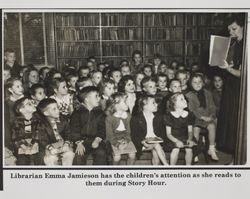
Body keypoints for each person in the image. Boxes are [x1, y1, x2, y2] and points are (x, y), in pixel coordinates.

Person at [216, 16, 244, 158]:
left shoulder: (246, 45)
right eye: (229, 30)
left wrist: (228, 69)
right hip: (231, 86)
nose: (231, 32)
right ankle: (235, 156)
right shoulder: (235, 44)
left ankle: (239, 157)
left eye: (234, 29)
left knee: (237, 122)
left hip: (241, 89)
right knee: (230, 121)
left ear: (244, 27)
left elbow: (244, 74)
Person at [68, 86, 107, 165]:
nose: (99, 98)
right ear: (87, 99)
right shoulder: (77, 113)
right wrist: (78, 143)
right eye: (96, 96)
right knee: (79, 155)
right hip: (82, 141)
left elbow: (102, 129)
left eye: (99, 96)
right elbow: (74, 130)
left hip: (96, 140)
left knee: (101, 153)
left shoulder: (100, 113)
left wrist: (97, 140)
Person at [186, 73, 218, 161]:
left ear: (203, 83)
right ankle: (194, 152)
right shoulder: (189, 95)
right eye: (195, 82)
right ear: (190, 84)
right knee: (196, 129)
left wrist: (211, 116)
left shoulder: (207, 93)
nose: (198, 84)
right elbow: (192, 110)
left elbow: (212, 106)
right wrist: (202, 117)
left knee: (212, 126)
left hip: (207, 117)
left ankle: (211, 149)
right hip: (196, 118)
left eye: (200, 82)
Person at [32, 98, 75, 165]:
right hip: (48, 146)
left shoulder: (63, 121)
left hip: (62, 145)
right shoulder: (41, 124)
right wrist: (51, 148)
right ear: (46, 113)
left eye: (57, 107)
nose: (58, 110)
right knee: (51, 158)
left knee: (69, 154)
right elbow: (42, 140)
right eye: (54, 109)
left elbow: (68, 134)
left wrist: (66, 144)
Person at [131, 95, 168, 165]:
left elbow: (163, 133)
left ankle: (157, 169)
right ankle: (166, 165)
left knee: (156, 149)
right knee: (156, 145)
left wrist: (161, 139)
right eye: (153, 103)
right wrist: (142, 141)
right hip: (143, 144)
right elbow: (134, 135)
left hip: (156, 142)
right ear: (145, 105)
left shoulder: (159, 117)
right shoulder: (136, 119)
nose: (156, 104)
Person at [105, 92, 137, 165]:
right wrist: (117, 144)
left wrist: (126, 141)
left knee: (132, 155)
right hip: (113, 140)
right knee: (117, 157)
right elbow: (110, 135)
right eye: (125, 102)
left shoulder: (128, 116)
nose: (127, 104)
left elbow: (129, 131)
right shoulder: (109, 118)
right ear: (116, 104)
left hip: (126, 139)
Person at [164, 93, 196, 165]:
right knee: (175, 149)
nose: (185, 101)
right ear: (174, 103)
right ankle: (172, 169)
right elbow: (168, 134)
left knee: (189, 149)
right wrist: (177, 141)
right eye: (181, 99)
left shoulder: (189, 114)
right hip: (173, 138)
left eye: (184, 99)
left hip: (185, 137)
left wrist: (190, 139)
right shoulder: (168, 116)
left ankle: (188, 168)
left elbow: (190, 131)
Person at [12, 97, 38, 165]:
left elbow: (39, 134)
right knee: (22, 161)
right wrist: (24, 147)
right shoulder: (17, 122)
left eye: (33, 103)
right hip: (22, 147)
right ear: (22, 110)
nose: (33, 105)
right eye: (29, 104)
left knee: (37, 160)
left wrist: (35, 144)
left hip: (36, 145)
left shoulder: (37, 120)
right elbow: (16, 137)